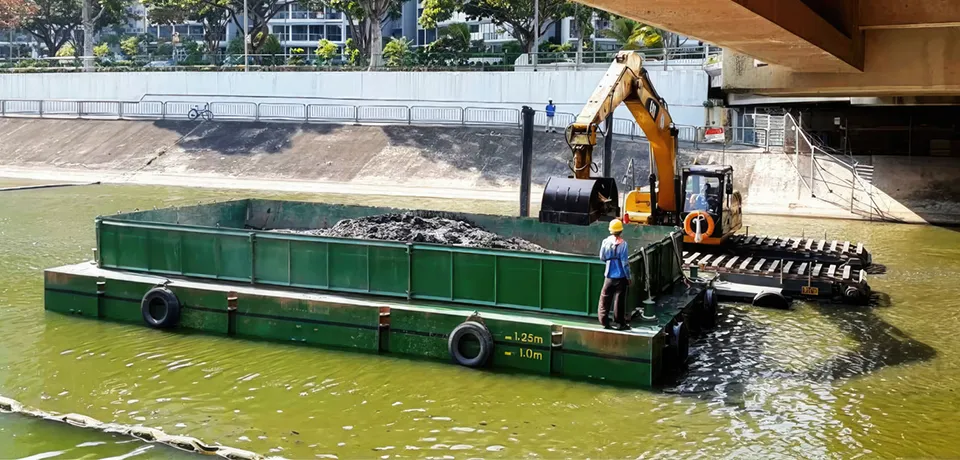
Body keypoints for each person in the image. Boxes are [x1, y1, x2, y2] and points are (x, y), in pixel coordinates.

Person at [598, 219, 631, 330]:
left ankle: (604, 321)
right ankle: (620, 323)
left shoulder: (605, 242)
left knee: (605, 298)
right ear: (621, 230)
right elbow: (625, 263)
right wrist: (628, 277)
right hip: (621, 276)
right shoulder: (624, 244)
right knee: (619, 300)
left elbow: (602, 257)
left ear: (610, 230)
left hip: (609, 275)